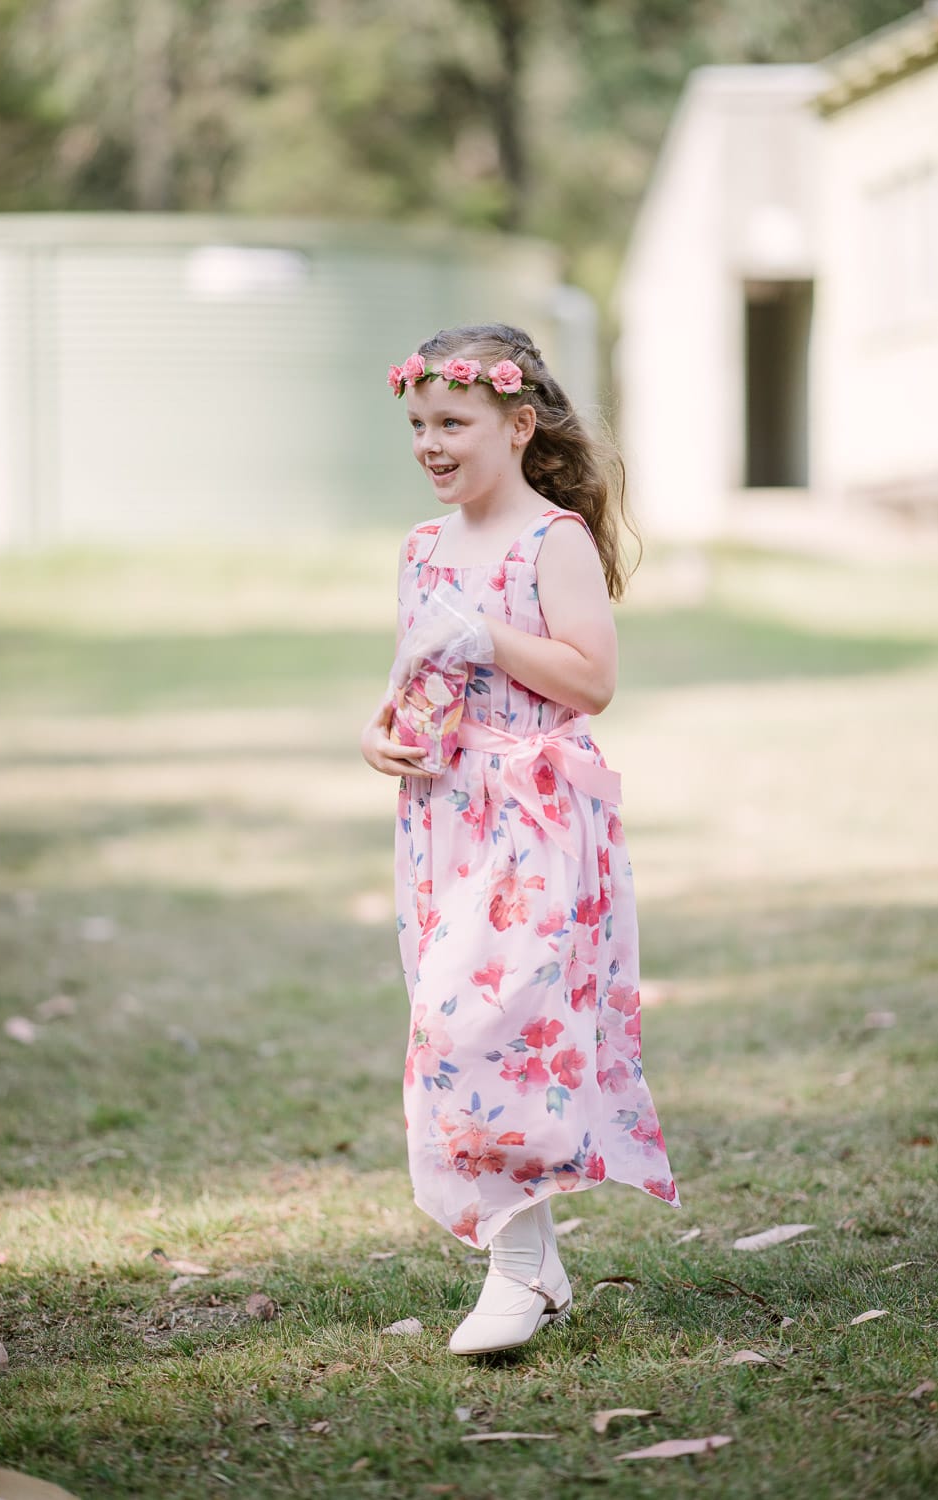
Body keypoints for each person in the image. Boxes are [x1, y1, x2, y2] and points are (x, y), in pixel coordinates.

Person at [360, 323, 681, 1356]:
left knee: (481, 1030)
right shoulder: (418, 546)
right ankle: (530, 1259)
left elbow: (590, 681)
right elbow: (418, 673)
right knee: (447, 1031)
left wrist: (484, 633)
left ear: (517, 422)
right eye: (417, 424)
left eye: (452, 422)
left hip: (534, 816)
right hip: (441, 820)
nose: (430, 442)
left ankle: (512, 1269)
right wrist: (384, 732)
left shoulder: (552, 540)